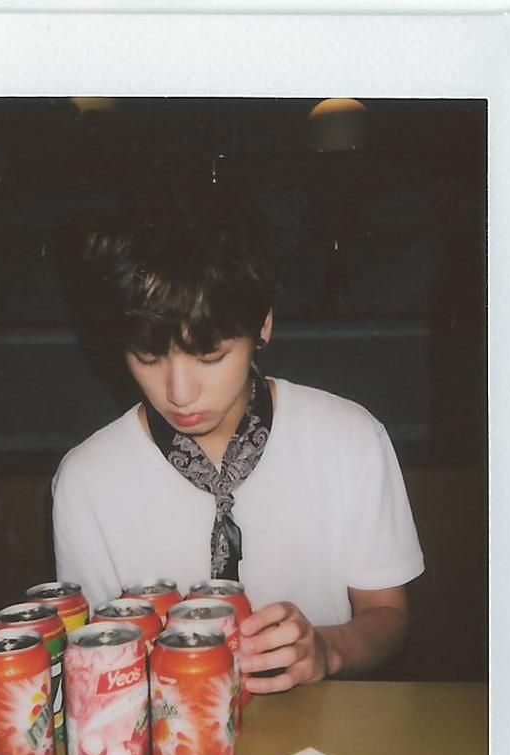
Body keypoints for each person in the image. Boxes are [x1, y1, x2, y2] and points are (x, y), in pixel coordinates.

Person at [52, 183, 424, 695]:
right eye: (148, 357)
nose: (179, 393)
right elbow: (96, 661)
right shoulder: (86, 480)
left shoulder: (350, 438)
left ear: (262, 324)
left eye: (209, 357)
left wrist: (326, 648)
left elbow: (388, 617)